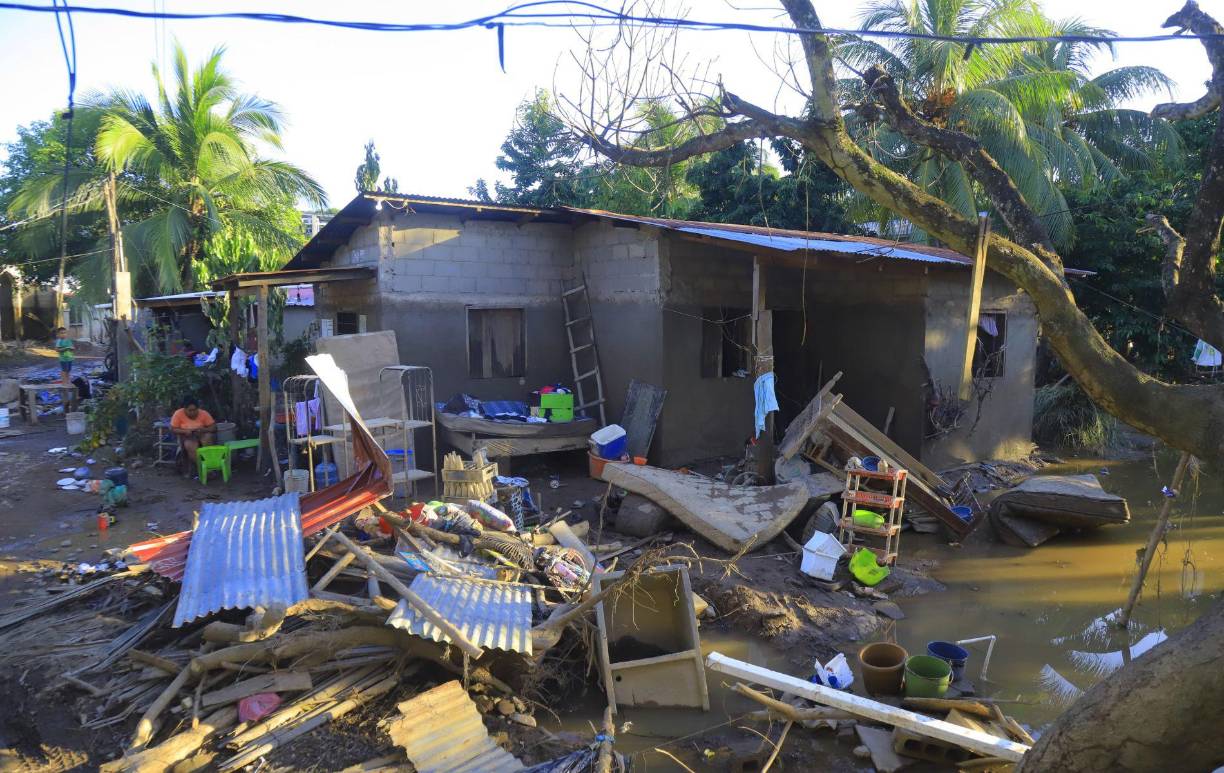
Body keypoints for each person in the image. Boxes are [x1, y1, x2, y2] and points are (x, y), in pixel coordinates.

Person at [170, 396, 217, 475]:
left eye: (195, 410)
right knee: (190, 445)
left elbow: (214, 427)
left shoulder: (203, 413)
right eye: (190, 410)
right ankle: (201, 467)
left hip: (202, 434)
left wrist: (204, 430)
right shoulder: (178, 414)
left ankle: (210, 465)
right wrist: (185, 431)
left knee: (208, 438)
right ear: (184, 409)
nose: (192, 412)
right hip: (187, 436)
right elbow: (173, 429)